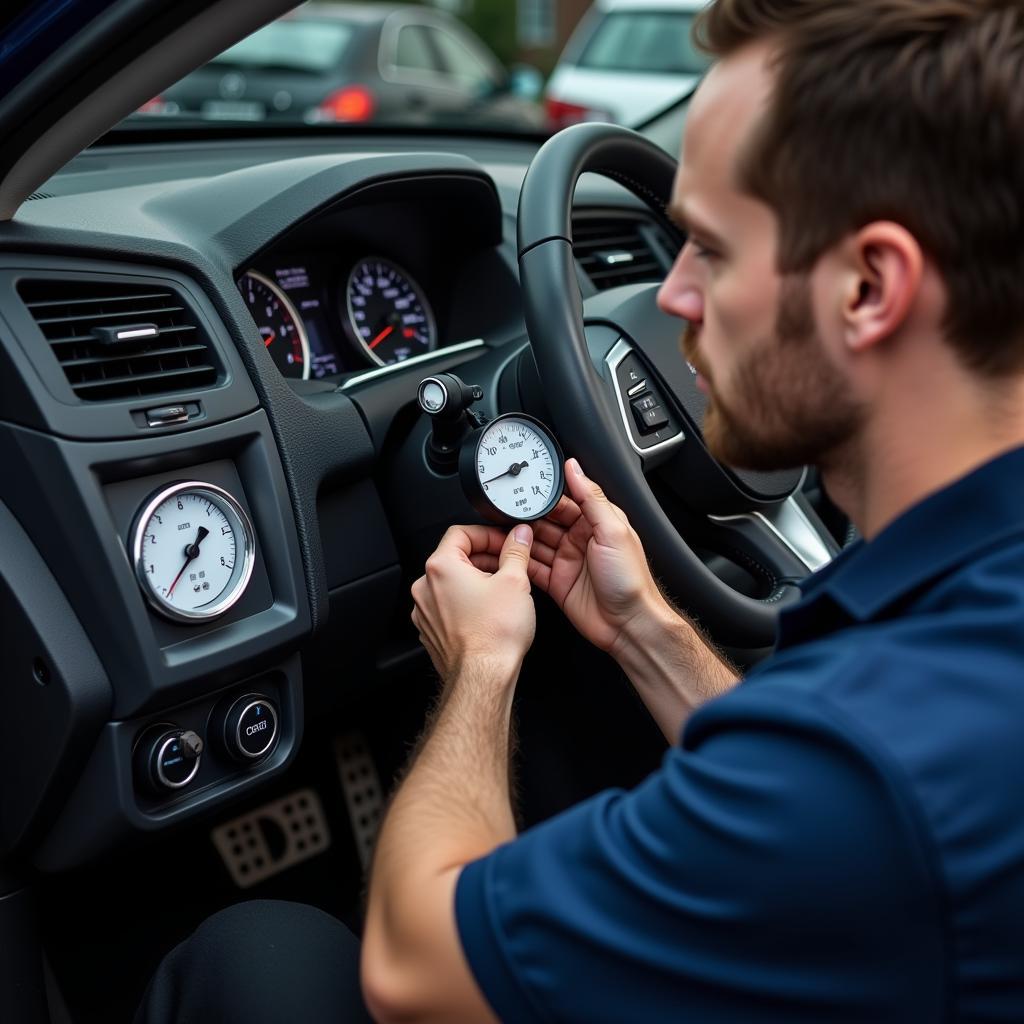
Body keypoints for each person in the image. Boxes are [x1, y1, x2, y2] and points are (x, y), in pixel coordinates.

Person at [138, 0, 1024, 1021]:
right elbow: (795, 774)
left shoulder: (868, 771)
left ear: (870, 286)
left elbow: (412, 971)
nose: (672, 294)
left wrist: (482, 668)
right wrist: (645, 628)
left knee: (261, 955)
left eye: (712, 250)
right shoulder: (947, 633)